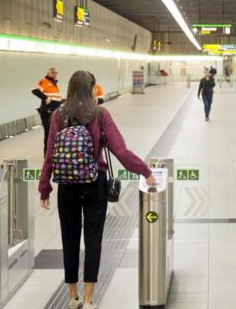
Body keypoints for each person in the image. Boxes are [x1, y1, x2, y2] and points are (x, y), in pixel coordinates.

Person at [38, 71, 156, 309]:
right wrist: (146, 171)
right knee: (93, 240)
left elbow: (49, 155)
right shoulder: (100, 114)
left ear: (70, 89)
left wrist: (45, 188)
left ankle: (73, 297)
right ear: (90, 89)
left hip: (67, 186)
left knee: (69, 238)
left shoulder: (58, 116)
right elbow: (120, 151)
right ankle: (90, 299)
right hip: (95, 183)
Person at [32, 67, 62, 156]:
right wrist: (45, 98)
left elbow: (55, 97)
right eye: (54, 73)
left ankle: (54, 153)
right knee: (49, 133)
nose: (56, 75)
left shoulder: (54, 84)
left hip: (55, 111)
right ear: (49, 73)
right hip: (47, 111)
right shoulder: (43, 81)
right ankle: (47, 156)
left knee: (55, 132)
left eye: (56, 73)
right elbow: (34, 90)